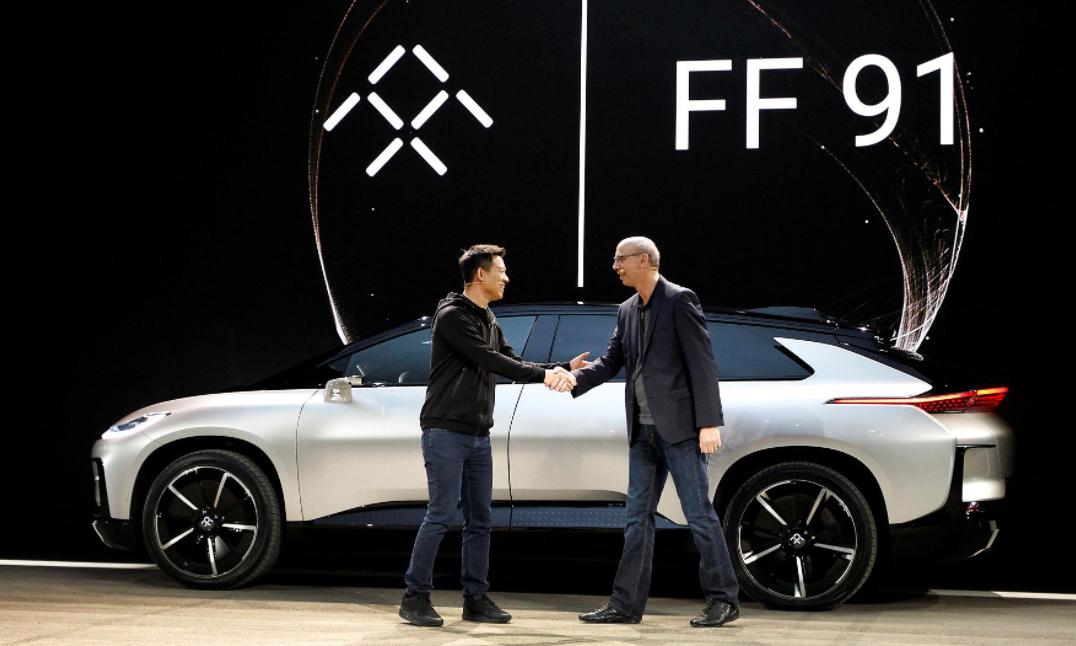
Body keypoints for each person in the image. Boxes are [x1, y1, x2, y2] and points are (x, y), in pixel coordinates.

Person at [400, 244, 583, 627]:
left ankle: (476, 599)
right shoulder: (453, 316)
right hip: (445, 430)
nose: (506, 278)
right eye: (501, 271)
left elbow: (511, 360)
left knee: (480, 520)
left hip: (478, 434)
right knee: (441, 513)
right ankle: (414, 598)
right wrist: (546, 376)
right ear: (480, 274)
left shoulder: (488, 318)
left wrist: (561, 367)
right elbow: (489, 360)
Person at [563, 236, 740, 627]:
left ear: (643, 260)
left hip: (679, 430)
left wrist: (708, 423)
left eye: (620, 259)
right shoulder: (627, 309)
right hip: (642, 433)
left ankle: (723, 599)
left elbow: (702, 364)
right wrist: (574, 378)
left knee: (698, 515)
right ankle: (625, 605)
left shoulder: (680, 300)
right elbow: (611, 361)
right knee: (636, 520)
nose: (615, 266)